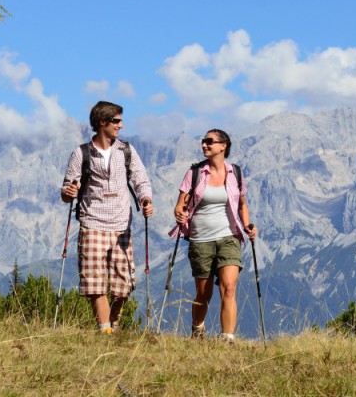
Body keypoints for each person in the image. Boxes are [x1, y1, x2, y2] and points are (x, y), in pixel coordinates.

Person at [61, 101, 154, 334]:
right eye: (116, 121)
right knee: (94, 282)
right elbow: (67, 189)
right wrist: (68, 192)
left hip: (122, 224)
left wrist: (146, 199)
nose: (120, 126)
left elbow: (140, 179)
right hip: (92, 222)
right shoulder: (81, 153)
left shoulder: (126, 151)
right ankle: (105, 332)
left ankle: (113, 323)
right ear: (102, 123)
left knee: (124, 285)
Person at [171, 129, 257, 341]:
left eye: (209, 141)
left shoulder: (235, 173)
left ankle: (227, 338)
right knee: (204, 294)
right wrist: (180, 214)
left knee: (229, 287)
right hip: (201, 239)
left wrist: (247, 226)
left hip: (229, 237)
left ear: (223, 146)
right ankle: (198, 329)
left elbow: (242, 205)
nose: (204, 145)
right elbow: (179, 205)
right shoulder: (195, 174)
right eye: (203, 141)